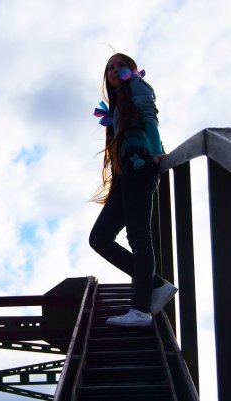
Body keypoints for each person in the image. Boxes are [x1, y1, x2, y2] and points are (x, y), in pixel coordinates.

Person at [89, 53, 177, 327]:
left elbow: (150, 118)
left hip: (140, 164)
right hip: (124, 172)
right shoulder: (118, 102)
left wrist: (156, 151)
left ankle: (140, 310)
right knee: (99, 238)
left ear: (132, 69)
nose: (115, 70)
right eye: (110, 68)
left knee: (138, 236)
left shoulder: (137, 86)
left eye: (121, 65)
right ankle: (155, 284)